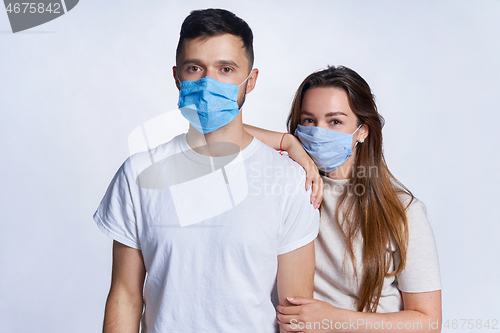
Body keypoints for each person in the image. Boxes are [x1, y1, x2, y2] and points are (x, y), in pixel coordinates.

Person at [93, 8, 320, 333]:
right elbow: (125, 297)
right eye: (195, 68)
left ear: (250, 80)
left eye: (226, 69)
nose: (208, 82)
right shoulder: (138, 173)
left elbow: (295, 312)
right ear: (177, 77)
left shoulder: (288, 180)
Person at [245, 66, 442, 332]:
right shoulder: (289, 185)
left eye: (335, 121)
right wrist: (289, 144)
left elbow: (428, 321)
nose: (318, 132)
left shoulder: (402, 210)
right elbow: (215, 134)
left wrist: (333, 319)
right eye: (308, 121)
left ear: (362, 131)